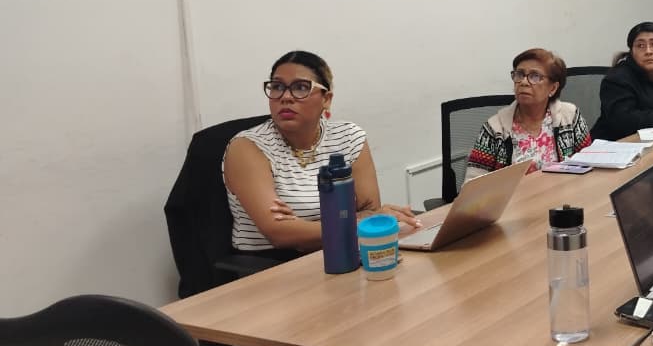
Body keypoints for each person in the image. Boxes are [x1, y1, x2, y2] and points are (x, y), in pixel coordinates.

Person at [223, 50, 419, 255]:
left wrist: (303, 227)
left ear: (326, 98)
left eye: (300, 87)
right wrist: (352, 220)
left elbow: (369, 209)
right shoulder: (246, 147)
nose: (286, 97)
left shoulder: (349, 137)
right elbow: (279, 233)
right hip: (272, 264)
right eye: (277, 87)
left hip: (340, 251)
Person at [464, 48, 592, 182]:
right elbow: (472, 185)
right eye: (519, 74)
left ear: (553, 88)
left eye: (535, 76)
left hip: (563, 192)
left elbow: (589, 164)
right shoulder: (494, 129)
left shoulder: (570, 116)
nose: (524, 82)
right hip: (516, 196)